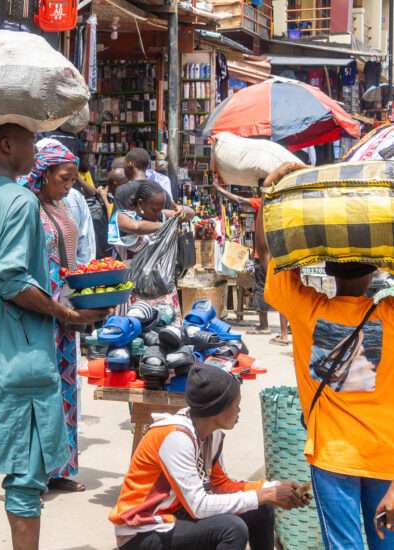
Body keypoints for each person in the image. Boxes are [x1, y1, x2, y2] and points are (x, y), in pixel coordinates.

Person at [0, 123, 108, 550]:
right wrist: (65, 313)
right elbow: (12, 280)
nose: (32, 149)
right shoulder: (20, 201)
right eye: (26, 140)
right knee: (24, 487)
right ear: (6, 145)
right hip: (26, 362)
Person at [259, 163, 394, 550]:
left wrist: (272, 192)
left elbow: (274, 254)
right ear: (375, 270)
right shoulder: (390, 317)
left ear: (327, 269)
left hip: (333, 455)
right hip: (387, 454)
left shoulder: (306, 311)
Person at [110, 364, 307, 550]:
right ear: (217, 409)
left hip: (175, 516)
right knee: (231, 528)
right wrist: (263, 495)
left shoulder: (211, 435)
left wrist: (272, 489)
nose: (239, 411)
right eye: (235, 404)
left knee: (260, 510)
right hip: (142, 530)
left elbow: (220, 486)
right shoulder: (175, 437)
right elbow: (199, 506)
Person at [21, 142, 85, 492]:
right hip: (41, 311)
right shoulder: (27, 206)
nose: (68, 186)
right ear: (43, 174)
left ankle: (61, 468)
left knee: (65, 390)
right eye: (63, 178)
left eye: (73, 179)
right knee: (39, 390)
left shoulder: (58, 205)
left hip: (66, 312)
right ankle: (32, 475)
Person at [213, 180, 289, 343]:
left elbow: (239, 200)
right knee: (282, 291)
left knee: (261, 288)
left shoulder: (261, 202)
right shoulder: (282, 204)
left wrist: (219, 189)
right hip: (279, 254)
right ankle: (283, 329)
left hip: (262, 255)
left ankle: (264, 325)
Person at [117, 182, 193, 320]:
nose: (157, 213)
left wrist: (178, 208)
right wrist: (166, 225)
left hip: (162, 290)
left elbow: (190, 213)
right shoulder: (121, 217)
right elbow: (137, 227)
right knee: (136, 331)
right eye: (154, 209)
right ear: (140, 203)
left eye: (160, 209)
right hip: (135, 290)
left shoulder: (161, 215)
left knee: (167, 334)